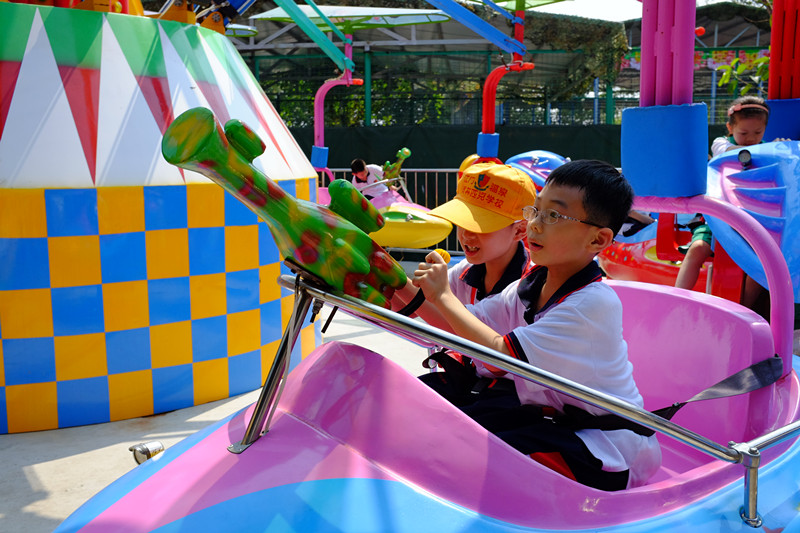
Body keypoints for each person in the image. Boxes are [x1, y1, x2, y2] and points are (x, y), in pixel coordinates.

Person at [400, 160, 661, 491]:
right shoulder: (532, 285)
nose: (535, 224)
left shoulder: (592, 304)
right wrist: (388, 277)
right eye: (536, 211)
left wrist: (442, 296)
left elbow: (499, 355)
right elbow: (461, 326)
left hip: (608, 447)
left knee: (476, 459)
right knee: (440, 424)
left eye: (553, 216)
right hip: (557, 421)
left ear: (598, 240)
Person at [410, 162, 537, 406]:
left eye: (481, 225)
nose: (467, 235)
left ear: (520, 230)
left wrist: (439, 295)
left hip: (519, 399)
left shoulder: (533, 286)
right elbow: (412, 306)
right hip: (474, 384)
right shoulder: (465, 271)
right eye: (463, 221)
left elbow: (450, 327)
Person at [677, 96, 777, 295]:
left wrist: (782, 148)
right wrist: (770, 151)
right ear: (730, 128)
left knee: (762, 263)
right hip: (717, 219)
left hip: (756, 221)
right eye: (744, 133)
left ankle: (746, 308)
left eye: (758, 132)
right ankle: (677, 297)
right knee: (697, 249)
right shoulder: (722, 143)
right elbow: (726, 152)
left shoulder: (769, 149)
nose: (751, 138)